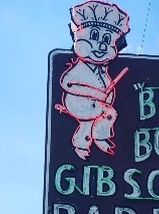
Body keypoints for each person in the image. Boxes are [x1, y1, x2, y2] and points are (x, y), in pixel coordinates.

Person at [56, 0, 130, 160]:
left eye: (106, 40)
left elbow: (106, 87)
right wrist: (98, 94)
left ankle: (80, 145)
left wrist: (105, 96)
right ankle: (100, 137)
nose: (101, 46)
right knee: (109, 113)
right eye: (95, 36)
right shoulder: (79, 67)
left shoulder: (102, 69)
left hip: (92, 103)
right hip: (77, 101)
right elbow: (67, 83)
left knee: (87, 123)